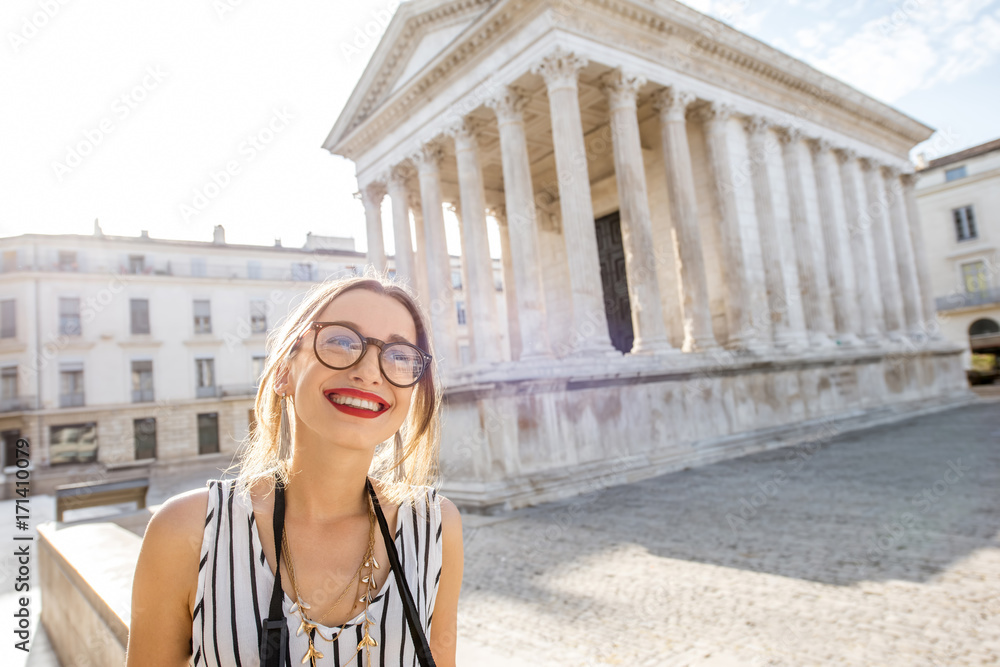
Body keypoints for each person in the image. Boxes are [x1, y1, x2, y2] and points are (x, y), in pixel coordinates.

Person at [126, 275, 463, 667]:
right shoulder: (188, 530)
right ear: (285, 370)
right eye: (341, 341)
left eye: (399, 355)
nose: (370, 371)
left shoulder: (435, 526)